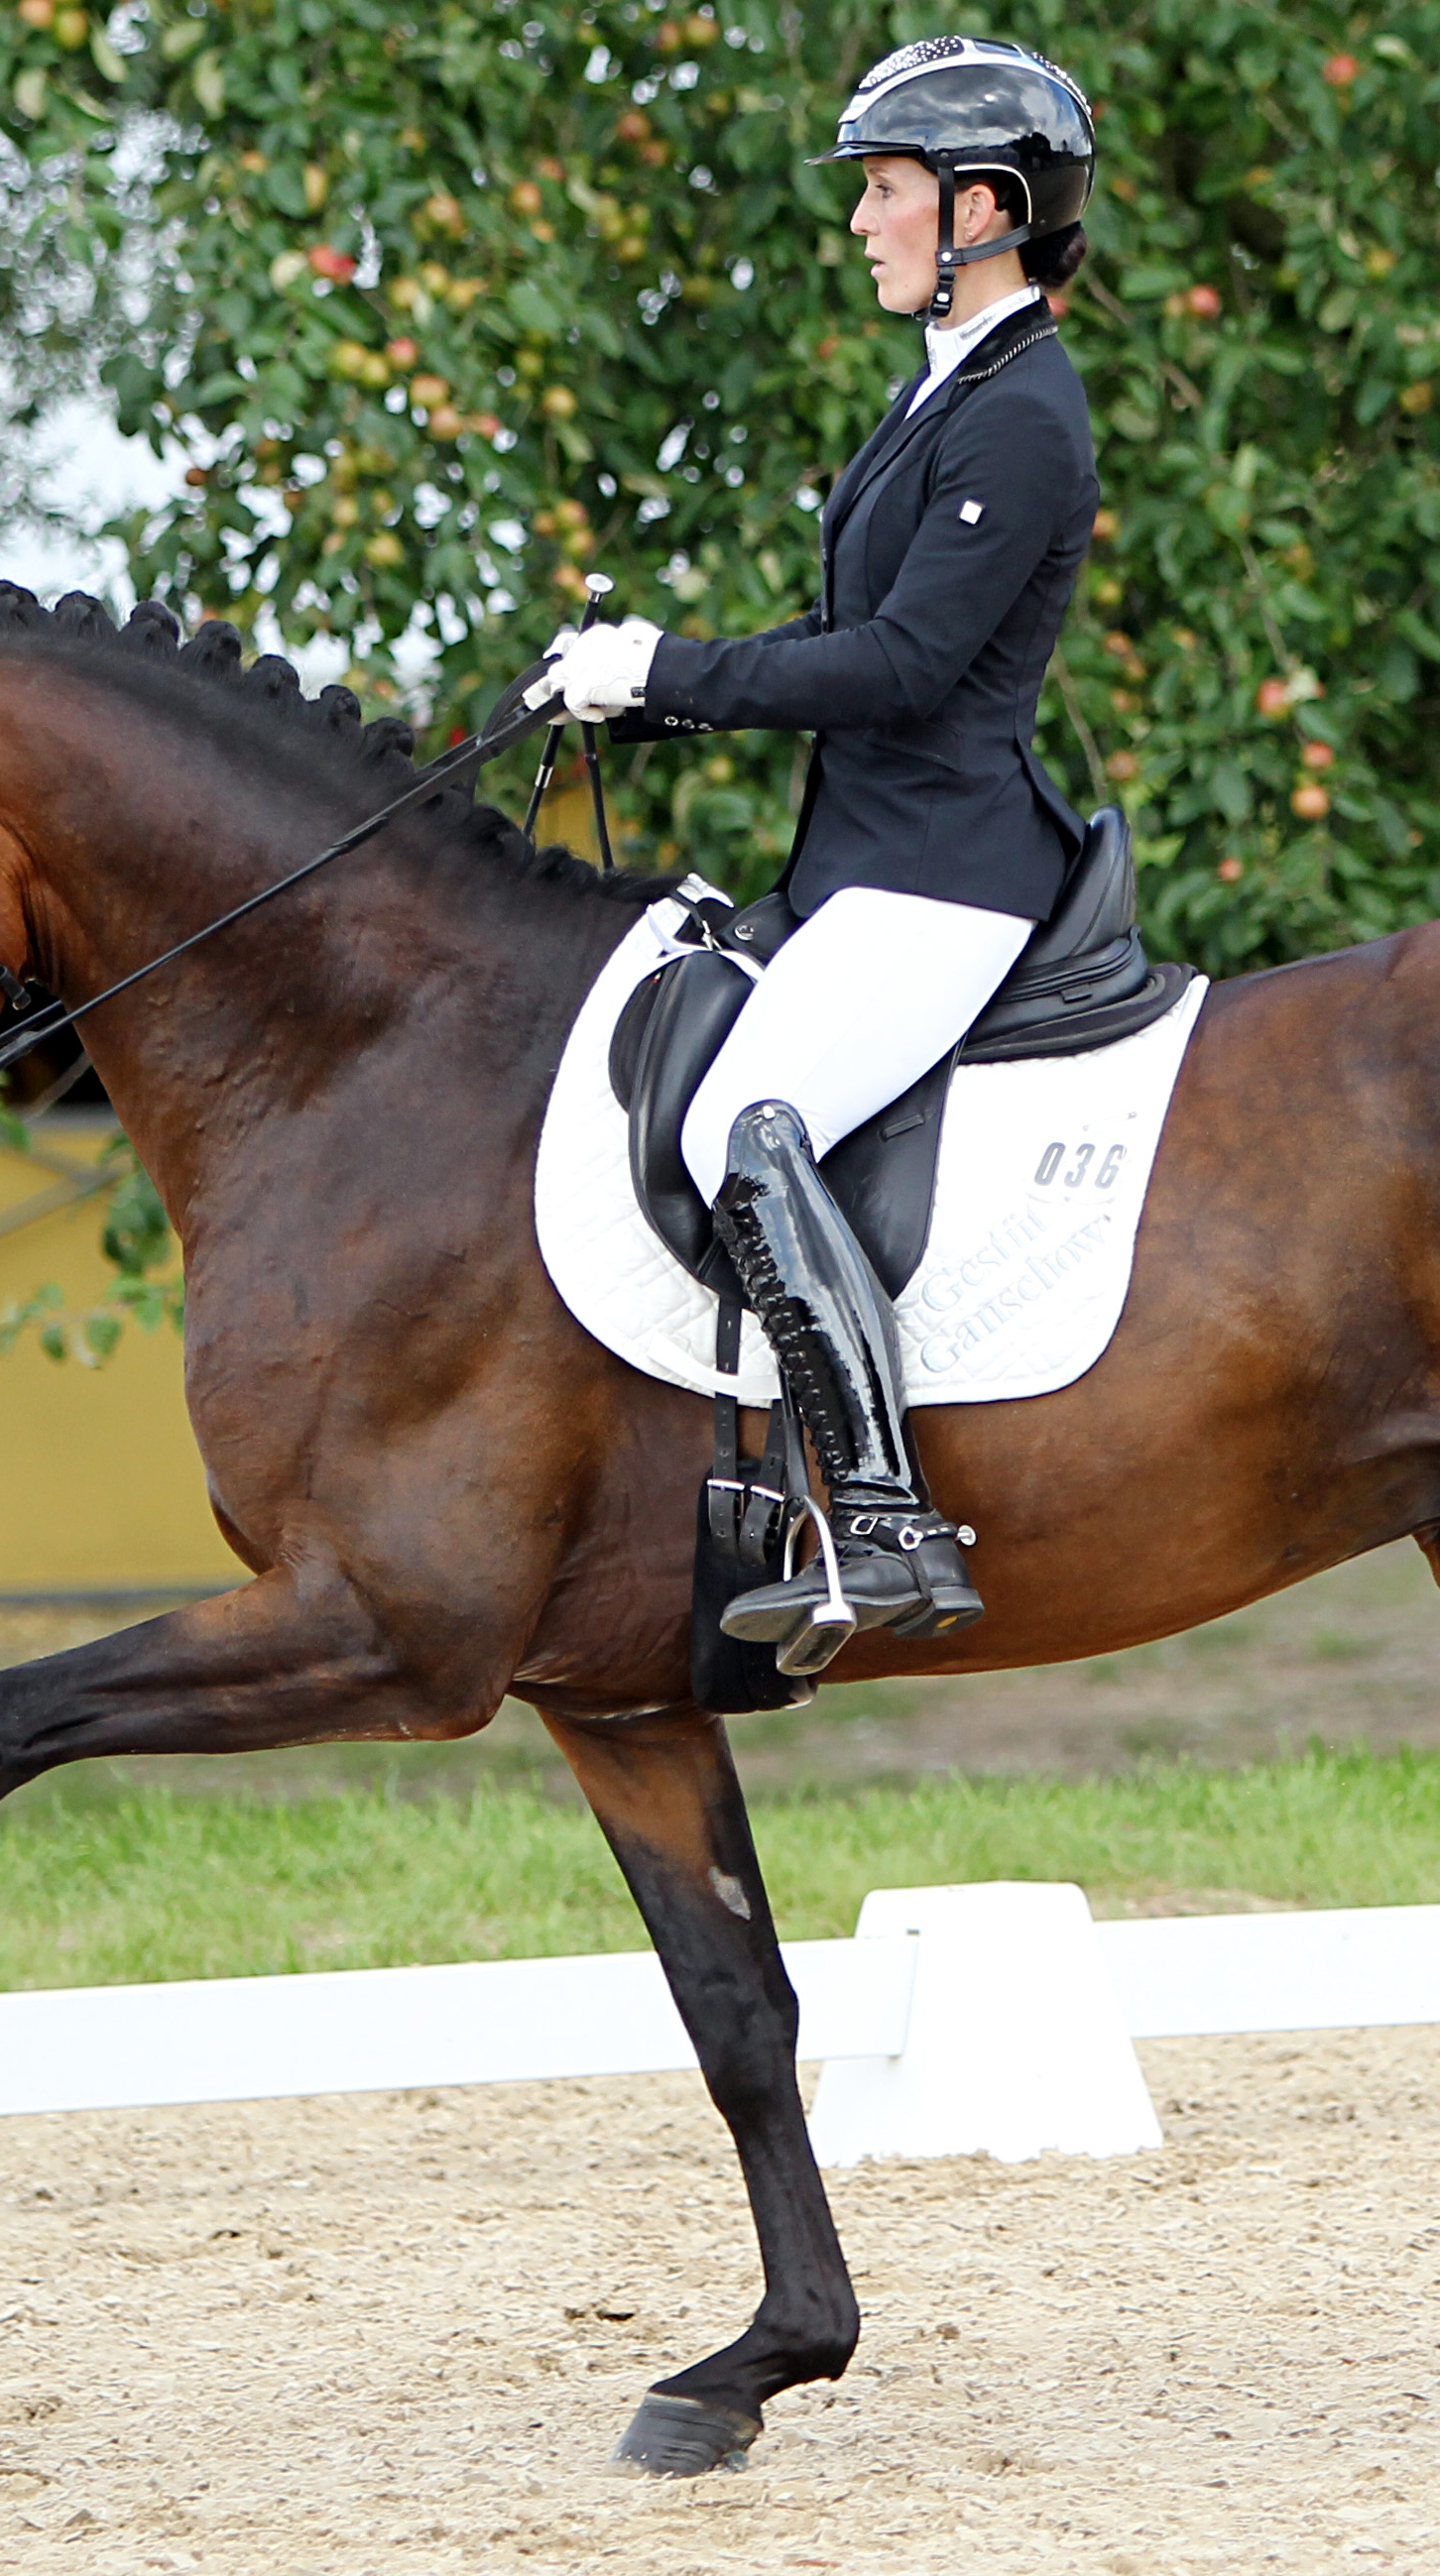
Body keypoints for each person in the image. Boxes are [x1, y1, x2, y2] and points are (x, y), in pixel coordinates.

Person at [542, 35, 1099, 1676]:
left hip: (948, 871)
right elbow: (844, 636)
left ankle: (881, 1513)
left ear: (982, 209)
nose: (863, 222)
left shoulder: (1022, 418)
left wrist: (674, 668)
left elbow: (909, 668)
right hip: (874, 856)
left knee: (739, 1121)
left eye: (885, 191)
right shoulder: (947, 390)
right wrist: (647, 689)